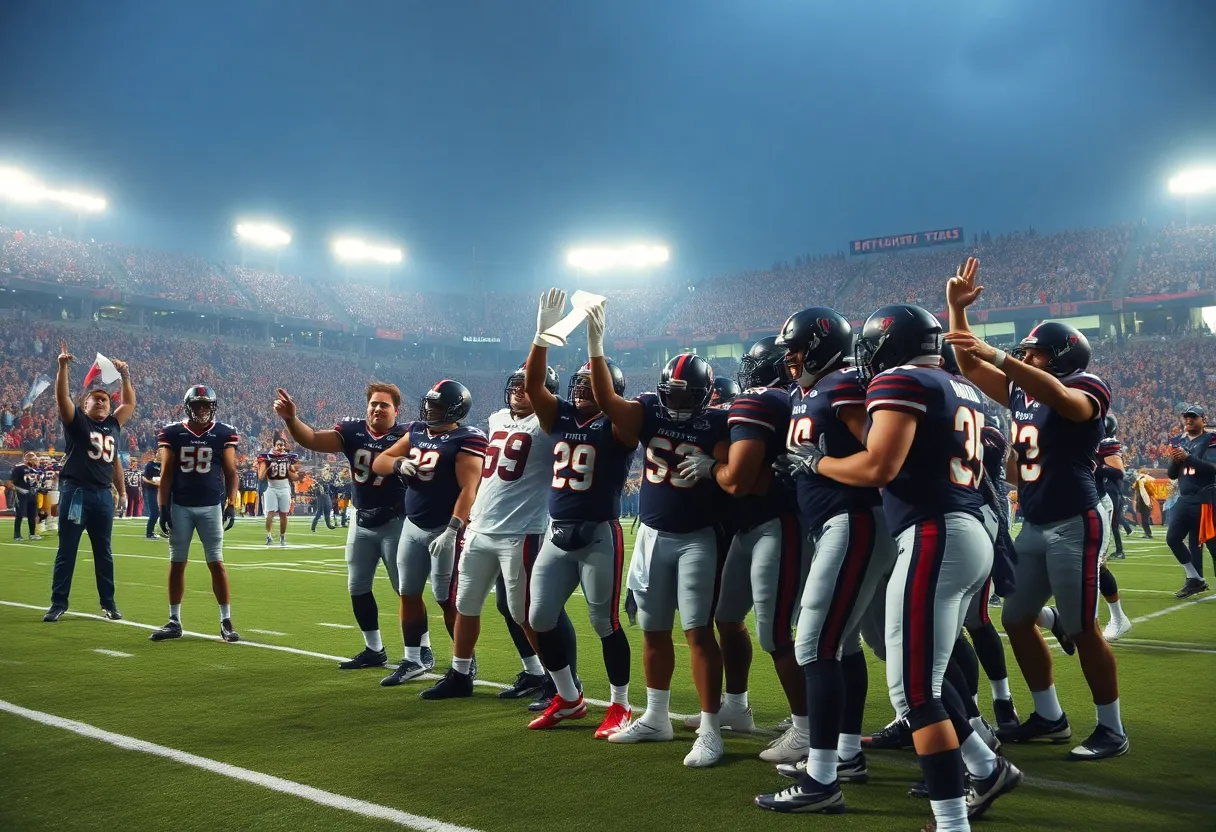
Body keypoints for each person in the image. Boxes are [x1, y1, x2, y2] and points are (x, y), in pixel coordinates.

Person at [781, 300, 1020, 829]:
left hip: (935, 532)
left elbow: (878, 464)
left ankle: (952, 820)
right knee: (927, 676)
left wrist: (817, 461)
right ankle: (985, 766)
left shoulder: (901, 382)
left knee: (913, 691)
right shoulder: (961, 388)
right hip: (965, 529)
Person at [946, 257, 1128, 762]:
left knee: (1080, 626)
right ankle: (1049, 716)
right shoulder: (1025, 386)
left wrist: (1004, 359)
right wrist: (957, 314)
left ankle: (1112, 727)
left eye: (1037, 354)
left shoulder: (1089, 386)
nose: (1028, 359)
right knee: (1020, 618)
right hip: (1034, 521)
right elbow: (969, 366)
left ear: (1064, 357)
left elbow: (1065, 400)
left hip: (1075, 521)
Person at [753, 309, 899, 813]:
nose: (788, 357)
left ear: (820, 345)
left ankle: (821, 780)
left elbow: (877, 455)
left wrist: (818, 464)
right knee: (844, 646)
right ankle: (847, 754)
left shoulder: (840, 386)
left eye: (795, 348)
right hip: (835, 521)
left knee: (813, 646)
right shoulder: (805, 393)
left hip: (853, 519)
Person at [589, 308, 730, 768]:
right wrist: (597, 349)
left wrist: (716, 467)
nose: (677, 401)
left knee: (697, 632)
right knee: (652, 630)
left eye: (687, 394)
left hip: (697, 538)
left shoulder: (717, 423)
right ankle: (656, 716)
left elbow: (733, 473)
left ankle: (710, 730)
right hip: (652, 535)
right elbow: (610, 404)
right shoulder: (649, 408)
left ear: (706, 395)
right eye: (672, 392)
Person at [521, 289, 633, 736]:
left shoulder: (620, 422)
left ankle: (621, 705)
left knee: (602, 622)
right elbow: (532, 386)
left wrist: (595, 346)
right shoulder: (562, 416)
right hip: (557, 532)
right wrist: (542, 335)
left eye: (594, 384)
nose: (584, 389)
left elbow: (607, 400)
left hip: (598, 534)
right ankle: (569, 698)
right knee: (539, 616)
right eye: (580, 383)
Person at [420, 363, 564, 702]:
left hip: (521, 529)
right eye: (516, 384)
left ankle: (554, 681)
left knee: (525, 614)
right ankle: (459, 673)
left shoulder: (549, 423)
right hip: (481, 526)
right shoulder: (497, 418)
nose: (518, 390)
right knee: (465, 604)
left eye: (528, 386)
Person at [687, 336, 799, 759]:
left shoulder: (758, 400)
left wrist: (714, 466)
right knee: (727, 617)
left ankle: (807, 728)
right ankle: (735, 705)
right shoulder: (787, 399)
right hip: (751, 524)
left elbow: (738, 481)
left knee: (777, 634)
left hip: (777, 522)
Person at [276, 383, 413, 670]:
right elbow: (312, 439)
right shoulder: (353, 431)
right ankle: (374, 648)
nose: (377, 409)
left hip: (395, 522)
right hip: (361, 519)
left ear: (396, 410)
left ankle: (419, 650)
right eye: (373, 404)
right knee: (357, 586)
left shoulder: (407, 435)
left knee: (405, 589)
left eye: (384, 405)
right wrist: (291, 419)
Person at [371, 379, 487, 686]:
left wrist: (453, 529)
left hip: (445, 528)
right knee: (408, 593)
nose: (429, 409)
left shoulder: (468, 438)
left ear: (454, 409)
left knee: (445, 599)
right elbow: (380, 461)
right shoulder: (418, 432)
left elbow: (469, 489)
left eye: (437, 405)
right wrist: (397, 463)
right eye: (429, 403)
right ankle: (413, 658)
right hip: (413, 524)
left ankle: (464, 662)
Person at [45, 341, 135, 623]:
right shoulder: (78, 422)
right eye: (94, 399)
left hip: (102, 496)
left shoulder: (112, 425)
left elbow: (129, 403)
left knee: (104, 552)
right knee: (67, 549)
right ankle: (58, 603)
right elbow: (62, 399)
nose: (100, 401)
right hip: (77, 494)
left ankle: (108, 603)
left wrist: (126, 376)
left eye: (104, 399)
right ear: (84, 405)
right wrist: (63, 367)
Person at [149, 385, 241, 643]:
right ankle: (174, 620)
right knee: (177, 563)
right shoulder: (172, 432)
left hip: (211, 506)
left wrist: (231, 503)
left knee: (217, 563)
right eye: (197, 404)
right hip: (181, 506)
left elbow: (231, 472)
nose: (202, 409)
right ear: (188, 406)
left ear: (212, 407)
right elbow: (166, 473)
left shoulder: (224, 433)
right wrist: (163, 507)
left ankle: (226, 620)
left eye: (205, 405)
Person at [1165, 404, 1216, 598]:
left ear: (1203, 419)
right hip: (1185, 497)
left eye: (1193, 417)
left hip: (1206, 497)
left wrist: (1188, 458)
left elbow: (1212, 468)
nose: (1188, 420)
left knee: (1211, 544)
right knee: (1173, 538)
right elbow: (1171, 475)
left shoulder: (1211, 439)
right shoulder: (1178, 440)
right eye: (1186, 417)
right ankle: (1195, 578)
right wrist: (1175, 460)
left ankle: (1196, 580)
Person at [1096, 416, 1133, 641]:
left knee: (1097, 564)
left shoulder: (1105, 442)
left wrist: (1091, 465)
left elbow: (1117, 471)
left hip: (1098, 502)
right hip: (1074, 503)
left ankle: (1118, 618)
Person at [258, 437, 299, 546]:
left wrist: (288, 469)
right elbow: (261, 476)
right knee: (270, 513)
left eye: (282, 445)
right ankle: (269, 535)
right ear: (274, 446)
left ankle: (282, 537)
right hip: (271, 488)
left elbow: (295, 476)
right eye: (278, 445)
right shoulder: (266, 458)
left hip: (285, 487)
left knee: (284, 514)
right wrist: (269, 466)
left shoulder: (288, 458)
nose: (280, 447)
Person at [10, 451, 40, 541]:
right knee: (19, 514)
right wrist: (19, 489)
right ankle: (17, 535)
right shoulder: (18, 468)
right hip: (21, 494)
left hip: (32, 494)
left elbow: (33, 482)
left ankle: (32, 534)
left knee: (32, 515)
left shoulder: (34, 469)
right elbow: (11, 482)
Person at [142, 453, 163, 539]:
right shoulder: (150, 465)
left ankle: (164, 531)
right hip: (152, 490)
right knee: (154, 512)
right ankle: (149, 533)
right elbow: (144, 478)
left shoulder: (165, 465)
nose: (161, 454)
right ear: (156, 454)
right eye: (159, 452)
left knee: (166, 512)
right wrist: (154, 483)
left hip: (163, 491)